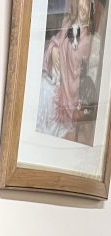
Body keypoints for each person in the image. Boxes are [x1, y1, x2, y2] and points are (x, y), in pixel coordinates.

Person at [37, 0, 95, 140]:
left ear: (90, 11)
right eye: (82, 4)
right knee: (42, 85)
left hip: (69, 87)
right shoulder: (68, 24)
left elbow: (76, 59)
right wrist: (54, 50)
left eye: (87, 6)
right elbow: (55, 41)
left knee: (47, 91)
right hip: (56, 77)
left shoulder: (88, 39)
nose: (84, 8)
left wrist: (63, 53)